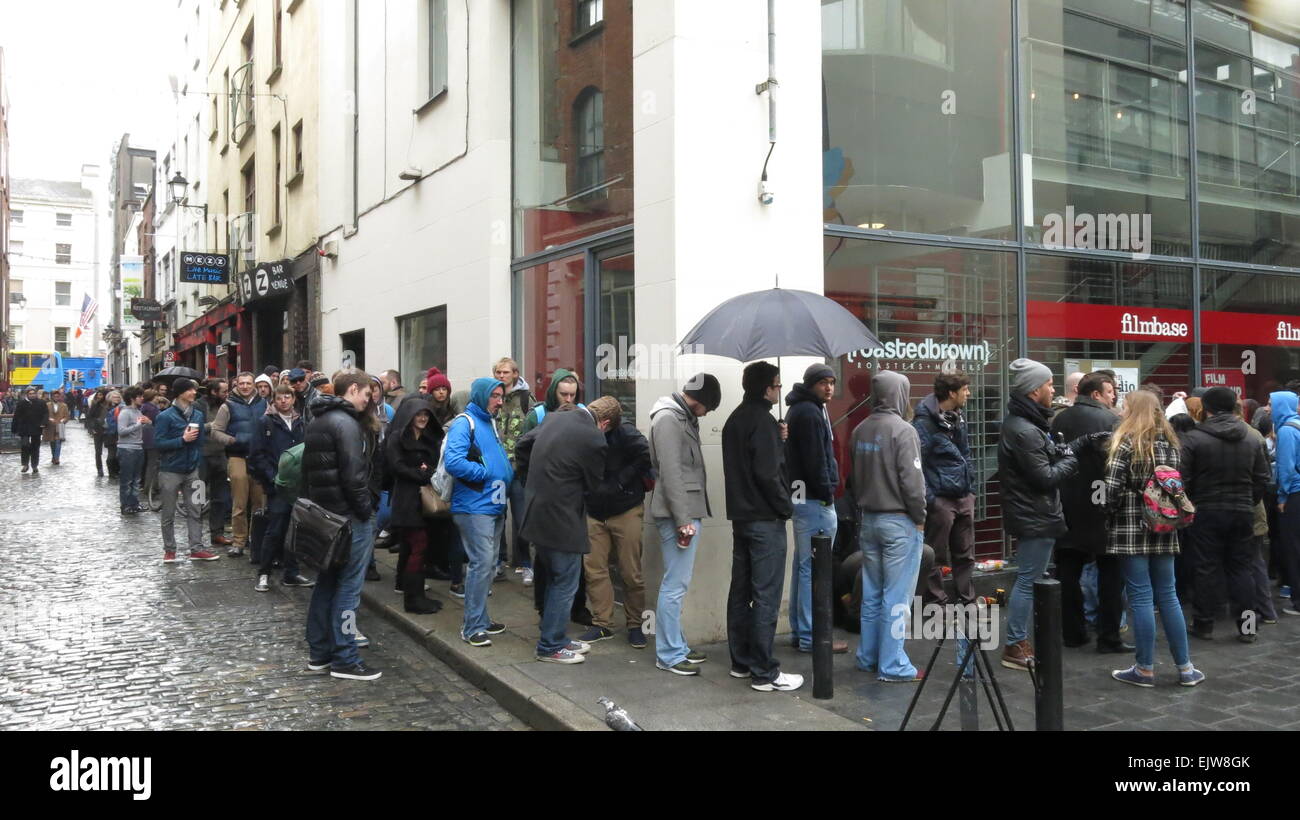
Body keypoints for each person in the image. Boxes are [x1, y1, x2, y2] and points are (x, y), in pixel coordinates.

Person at [1102, 389, 1205, 686]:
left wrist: (1108, 515)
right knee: (1169, 595)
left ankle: (1144, 668)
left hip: (1130, 526)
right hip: (1164, 523)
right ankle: (1186, 668)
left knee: (1141, 596)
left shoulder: (1125, 442)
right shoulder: (1171, 444)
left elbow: (1111, 491)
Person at [997, 359, 1093, 671]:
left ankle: (1018, 639)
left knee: (1030, 578)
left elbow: (1048, 460)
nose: (1054, 389)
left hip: (1034, 513)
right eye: (1050, 384)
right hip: (1035, 515)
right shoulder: (1025, 430)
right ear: (1035, 390)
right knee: (1028, 580)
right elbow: (1046, 477)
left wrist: (1076, 446)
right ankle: (1015, 644)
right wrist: (1073, 458)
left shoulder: (1027, 424)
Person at [516, 396, 617, 664]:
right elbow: (594, 486)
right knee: (565, 582)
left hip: (536, 512)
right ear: (604, 423)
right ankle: (549, 646)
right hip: (562, 519)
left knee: (552, 578)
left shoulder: (554, 418)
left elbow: (522, 444)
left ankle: (556, 635)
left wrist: (533, 478)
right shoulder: (595, 438)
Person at [723, 361, 801, 692]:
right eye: (777, 385)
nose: (780, 390)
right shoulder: (763, 422)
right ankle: (764, 671)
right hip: (765, 520)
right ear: (766, 388)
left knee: (740, 592)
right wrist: (786, 507)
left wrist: (777, 437)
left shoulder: (735, 420)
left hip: (741, 518)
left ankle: (741, 661)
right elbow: (769, 474)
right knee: (766, 595)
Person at [304, 369, 384, 681]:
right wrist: (366, 512)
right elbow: (354, 478)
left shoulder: (319, 419)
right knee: (349, 590)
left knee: (326, 585)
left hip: (327, 517)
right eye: (367, 394)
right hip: (350, 519)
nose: (369, 400)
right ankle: (345, 658)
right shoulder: (347, 423)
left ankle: (320, 653)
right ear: (353, 389)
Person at [848, 370, 926, 682]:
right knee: (897, 597)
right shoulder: (904, 431)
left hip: (869, 520)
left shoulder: (859, 430)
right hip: (899, 522)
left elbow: (854, 479)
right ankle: (893, 665)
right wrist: (919, 517)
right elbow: (913, 484)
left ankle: (868, 656)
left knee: (871, 593)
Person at [1180, 387, 1272, 640]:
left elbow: (1182, 479)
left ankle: (1204, 624)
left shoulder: (1194, 438)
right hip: (1242, 510)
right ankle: (1247, 628)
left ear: (1206, 409)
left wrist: (1192, 503)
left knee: (1205, 567)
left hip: (1205, 510)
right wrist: (1250, 500)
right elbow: (1263, 477)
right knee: (1242, 568)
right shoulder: (1252, 438)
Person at [1050, 371, 1128, 652]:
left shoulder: (1059, 419)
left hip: (1068, 504)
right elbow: (1119, 464)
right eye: (1110, 392)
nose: (1114, 396)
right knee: (1110, 571)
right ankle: (1109, 636)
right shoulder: (1111, 420)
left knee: (1068, 570)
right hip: (1102, 505)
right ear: (1095, 394)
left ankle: (1073, 633)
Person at [648, 373, 720, 675]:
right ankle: (669, 654)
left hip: (685, 513)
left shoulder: (680, 418)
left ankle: (676, 644)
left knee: (677, 584)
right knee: (674, 586)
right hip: (680, 516)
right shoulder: (669, 419)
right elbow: (671, 473)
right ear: (700, 401)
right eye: (709, 407)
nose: (708, 413)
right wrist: (684, 520)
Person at [444, 377, 515, 647]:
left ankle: (482, 619)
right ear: (482, 396)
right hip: (475, 506)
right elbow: (454, 461)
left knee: (488, 565)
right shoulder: (465, 422)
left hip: (493, 504)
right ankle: (472, 626)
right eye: (495, 396)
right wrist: (485, 473)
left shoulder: (488, 421)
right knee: (481, 564)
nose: (499, 401)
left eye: (501, 396)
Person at [785, 363, 848, 655]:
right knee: (814, 568)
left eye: (832, 382)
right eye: (823, 382)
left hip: (803, 500)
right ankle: (812, 636)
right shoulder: (810, 412)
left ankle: (801, 632)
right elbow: (815, 460)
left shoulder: (802, 409)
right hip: (815, 501)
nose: (829, 387)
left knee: (804, 565)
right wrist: (828, 493)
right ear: (810, 383)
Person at [579, 401, 652, 648]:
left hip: (626, 510)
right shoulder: (586, 431)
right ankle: (602, 624)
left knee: (630, 572)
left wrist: (620, 483)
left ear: (605, 423)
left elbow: (645, 457)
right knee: (594, 569)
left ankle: (635, 625)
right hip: (594, 511)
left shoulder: (628, 434)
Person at [521, 368, 592, 620]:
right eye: (564, 394)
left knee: (575, 558)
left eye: (573, 394)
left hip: (572, 500)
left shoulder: (583, 414)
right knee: (545, 560)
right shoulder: (538, 414)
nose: (568, 399)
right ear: (554, 392)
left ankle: (577, 606)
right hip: (543, 498)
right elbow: (523, 448)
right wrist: (531, 482)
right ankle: (543, 607)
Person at [914, 370, 977, 607]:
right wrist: (932, 499)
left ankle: (967, 601)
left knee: (965, 554)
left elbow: (966, 454)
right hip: (941, 499)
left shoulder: (958, 417)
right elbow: (918, 463)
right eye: (964, 389)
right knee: (936, 555)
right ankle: (937, 604)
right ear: (952, 393)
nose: (968, 393)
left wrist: (970, 491)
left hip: (962, 495)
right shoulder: (924, 422)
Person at [382, 396, 444, 613]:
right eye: (419, 414)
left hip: (423, 500)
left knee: (411, 547)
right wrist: (421, 472)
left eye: (426, 415)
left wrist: (424, 471)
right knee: (417, 545)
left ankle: (413, 593)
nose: (423, 418)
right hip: (407, 500)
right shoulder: (397, 438)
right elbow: (397, 467)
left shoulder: (429, 439)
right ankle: (413, 598)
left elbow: (435, 466)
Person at [251, 384, 313, 592]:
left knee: (295, 529)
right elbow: (257, 454)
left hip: (298, 486)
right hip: (277, 486)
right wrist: (272, 477)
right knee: (275, 530)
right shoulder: (265, 422)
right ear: (274, 400)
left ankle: (291, 572)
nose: (284, 400)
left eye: (288, 396)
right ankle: (264, 573)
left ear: (294, 399)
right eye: (280, 397)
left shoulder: (301, 422)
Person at [154, 378, 219, 563]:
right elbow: (158, 443)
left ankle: (196, 548)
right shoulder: (164, 416)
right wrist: (182, 440)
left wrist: (198, 462)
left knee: (196, 509)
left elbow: (199, 443)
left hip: (193, 471)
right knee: (168, 512)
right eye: (190, 390)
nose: (194, 393)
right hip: (170, 471)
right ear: (180, 392)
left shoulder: (197, 415)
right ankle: (169, 549)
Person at [210, 372, 268, 558]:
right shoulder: (228, 405)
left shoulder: (264, 403)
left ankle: (256, 539)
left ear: (254, 384)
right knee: (240, 502)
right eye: (241, 383)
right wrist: (232, 440)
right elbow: (215, 431)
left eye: (248, 383)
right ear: (236, 384)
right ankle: (238, 541)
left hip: (259, 457)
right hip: (237, 455)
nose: (244, 386)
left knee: (259, 503)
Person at [492, 357, 534, 577]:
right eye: (498, 372)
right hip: (498, 471)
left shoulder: (527, 399)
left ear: (515, 374)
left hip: (518, 471)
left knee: (522, 517)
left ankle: (525, 563)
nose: (501, 376)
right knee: (498, 515)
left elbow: (535, 432)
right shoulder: (491, 398)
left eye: (506, 372)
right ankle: (498, 561)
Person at [1270, 390, 1300, 618]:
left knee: (1292, 546)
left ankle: (1297, 599)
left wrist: (1281, 497)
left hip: (1294, 494)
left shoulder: (1287, 431)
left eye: (1272, 404)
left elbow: (1286, 468)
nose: (1269, 409)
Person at [195, 379, 233, 549]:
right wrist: (212, 426)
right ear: (213, 392)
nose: (227, 394)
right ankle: (195, 538)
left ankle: (217, 534)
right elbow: (193, 428)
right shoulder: (198, 406)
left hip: (220, 456)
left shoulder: (227, 406)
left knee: (220, 498)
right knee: (198, 498)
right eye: (224, 391)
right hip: (201, 458)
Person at [116, 386, 151, 515]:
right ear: (132, 398)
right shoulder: (125, 413)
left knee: (136, 479)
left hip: (138, 448)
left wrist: (148, 422)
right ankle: (125, 505)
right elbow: (121, 431)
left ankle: (134, 503)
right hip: (127, 449)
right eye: (140, 396)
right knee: (127, 480)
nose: (142, 398)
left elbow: (144, 425)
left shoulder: (138, 411)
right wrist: (137, 425)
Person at [13, 386, 49, 474]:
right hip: (24, 428)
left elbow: (45, 413)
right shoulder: (21, 403)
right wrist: (14, 428)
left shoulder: (41, 403)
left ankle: (34, 465)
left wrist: (43, 423)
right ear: (27, 394)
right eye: (30, 394)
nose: (32, 395)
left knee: (35, 447)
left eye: (33, 393)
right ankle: (25, 464)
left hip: (36, 428)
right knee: (25, 445)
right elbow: (16, 416)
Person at [86, 389, 110, 476]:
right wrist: (92, 427)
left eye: (101, 395)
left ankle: (110, 467)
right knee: (98, 451)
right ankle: (99, 469)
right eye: (98, 395)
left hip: (108, 430)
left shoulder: (110, 406)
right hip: (97, 430)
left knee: (111, 451)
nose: (99, 397)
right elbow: (89, 417)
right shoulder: (95, 405)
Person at [103, 390, 122, 478]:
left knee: (118, 455)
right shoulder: (106, 408)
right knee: (111, 455)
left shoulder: (122, 407)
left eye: (118, 397)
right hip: (110, 434)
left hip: (119, 433)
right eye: (114, 397)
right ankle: (112, 472)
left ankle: (117, 471)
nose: (117, 399)